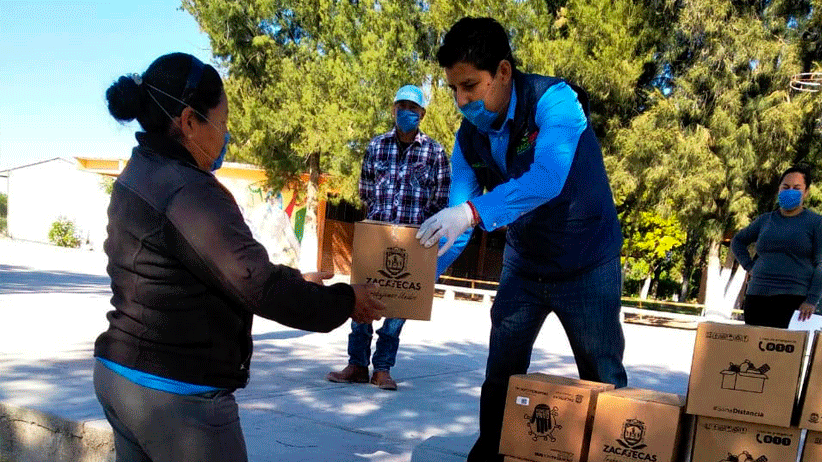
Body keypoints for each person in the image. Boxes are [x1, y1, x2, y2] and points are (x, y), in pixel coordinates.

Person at [95, 52, 385, 462]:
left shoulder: (139, 173)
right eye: (223, 122)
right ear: (190, 121)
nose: (226, 134)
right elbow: (256, 284)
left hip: (119, 375)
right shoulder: (189, 191)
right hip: (176, 396)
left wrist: (296, 281)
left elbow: (205, 269)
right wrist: (346, 300)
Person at [416, 17, 627, 461]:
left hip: (587, 262)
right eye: (454, 89)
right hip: (525, 266)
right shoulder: (468, 140)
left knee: (602, 374)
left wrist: (472, 212)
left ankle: (613, 453)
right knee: (502, 375)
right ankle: (491, 452)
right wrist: (416, 282)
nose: (461, 100)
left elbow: (548, 178)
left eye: (470, 86)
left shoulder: (556, 102)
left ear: (504, 72)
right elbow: (455, 229)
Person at [326, 85, 450, 390]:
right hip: (377, 239)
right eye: (400, 106)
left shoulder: (434, 152)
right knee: (362, 303)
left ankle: (382, 368)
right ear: (393, 109)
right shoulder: (377, 146)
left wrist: (417, 229)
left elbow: (441, 198)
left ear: (422, 113)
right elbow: (366, 190)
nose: (406, 112)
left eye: (413, 107)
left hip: (413, 242)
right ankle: (356, 365)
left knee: (398, 309)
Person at [731, 165, 822, 328]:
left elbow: (820, 264)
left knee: (783, 351)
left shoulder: (816, 223)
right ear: (779, 189)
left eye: (797, 188)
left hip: (793, 300)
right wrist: (749, 266)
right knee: (753, 351)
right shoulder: (765, 220)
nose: (790, 191)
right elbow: (737, 241)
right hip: (757, 296)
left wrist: (811, 300)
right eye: (785, 187)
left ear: (806, 192)